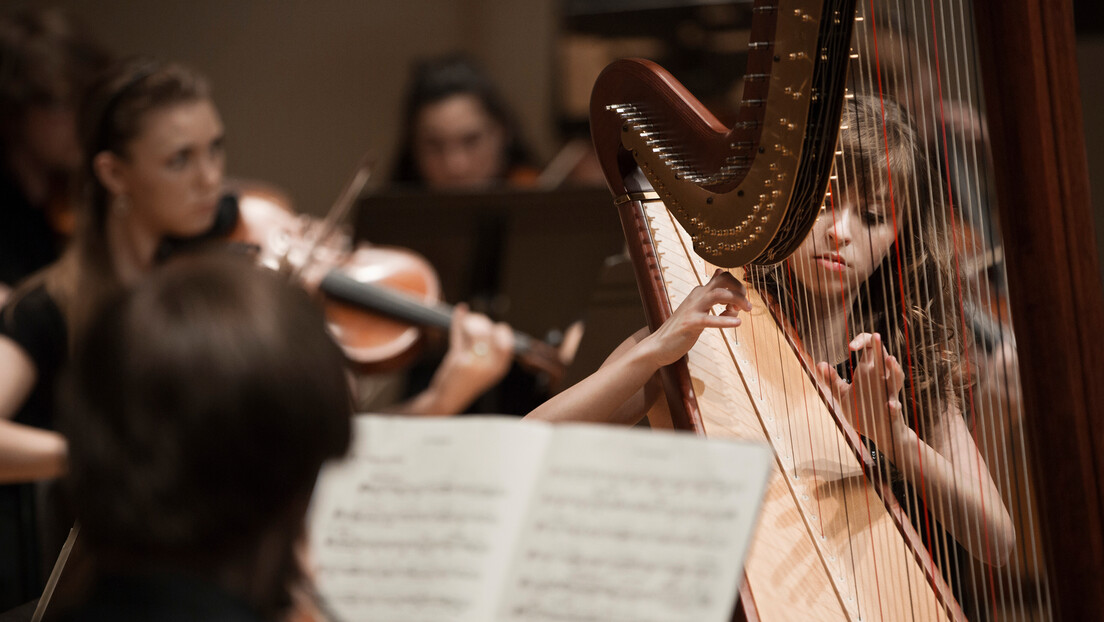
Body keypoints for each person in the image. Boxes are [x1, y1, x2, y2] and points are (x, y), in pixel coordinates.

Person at [0, 58, 510, 610]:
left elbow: (303, 452)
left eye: (215, 148)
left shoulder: (236, 269)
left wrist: (422, 396)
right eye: (180, 160)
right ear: (114, 175)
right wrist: (97, 456)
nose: (211, 178)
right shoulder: (53, 305)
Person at [746, 95, 1015, 571]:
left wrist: (895, 438)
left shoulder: (900, 362)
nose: (841, 232)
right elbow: (563, 425)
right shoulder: (728, 327)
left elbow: (997, 541)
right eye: (825, 202)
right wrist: (651, 353)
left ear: (899, 239)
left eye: (871, 216)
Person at [0, 7, 111, 305]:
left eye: (86, 101)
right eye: (64, 104)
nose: (81, 120)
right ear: (14, 110)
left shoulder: (74, 192)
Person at [389, 53, 538, 189]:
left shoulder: (534, 192)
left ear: (503, 133)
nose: (455, 167)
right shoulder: (387, 215)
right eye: (434, 145)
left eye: (471, 140)